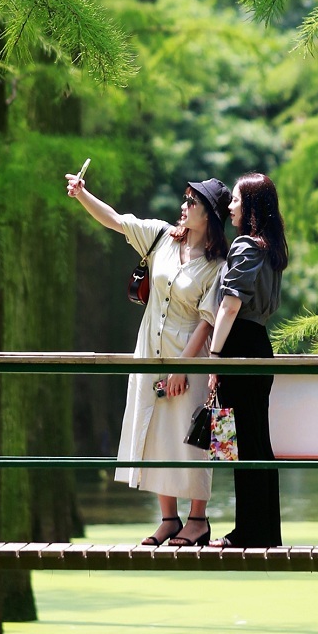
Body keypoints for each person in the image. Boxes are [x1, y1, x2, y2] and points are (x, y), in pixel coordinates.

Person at [65, 169, 230, 547]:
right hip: (150, 352)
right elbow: (117, 221)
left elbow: (207, 323)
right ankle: (169, 519)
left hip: (191, 357)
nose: (184, 206)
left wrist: (182, 368)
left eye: (193, 202)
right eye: (185, 199)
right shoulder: (160, 237)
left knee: (196, 439)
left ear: (209, 215)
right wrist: (82, 195)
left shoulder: (217, 265)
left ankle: (199, 520)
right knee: (156, 432)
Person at [207, 172, 289, 548]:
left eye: (237, 199)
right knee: (257, 439)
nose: (230, 206)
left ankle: (248, 531)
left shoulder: (245, 247)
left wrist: (213, 356)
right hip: (259, 344)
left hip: (239, 343)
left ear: (252, 205)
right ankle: (264, 529)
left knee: (244, 441)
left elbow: (230, 305)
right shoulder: (271, 250)